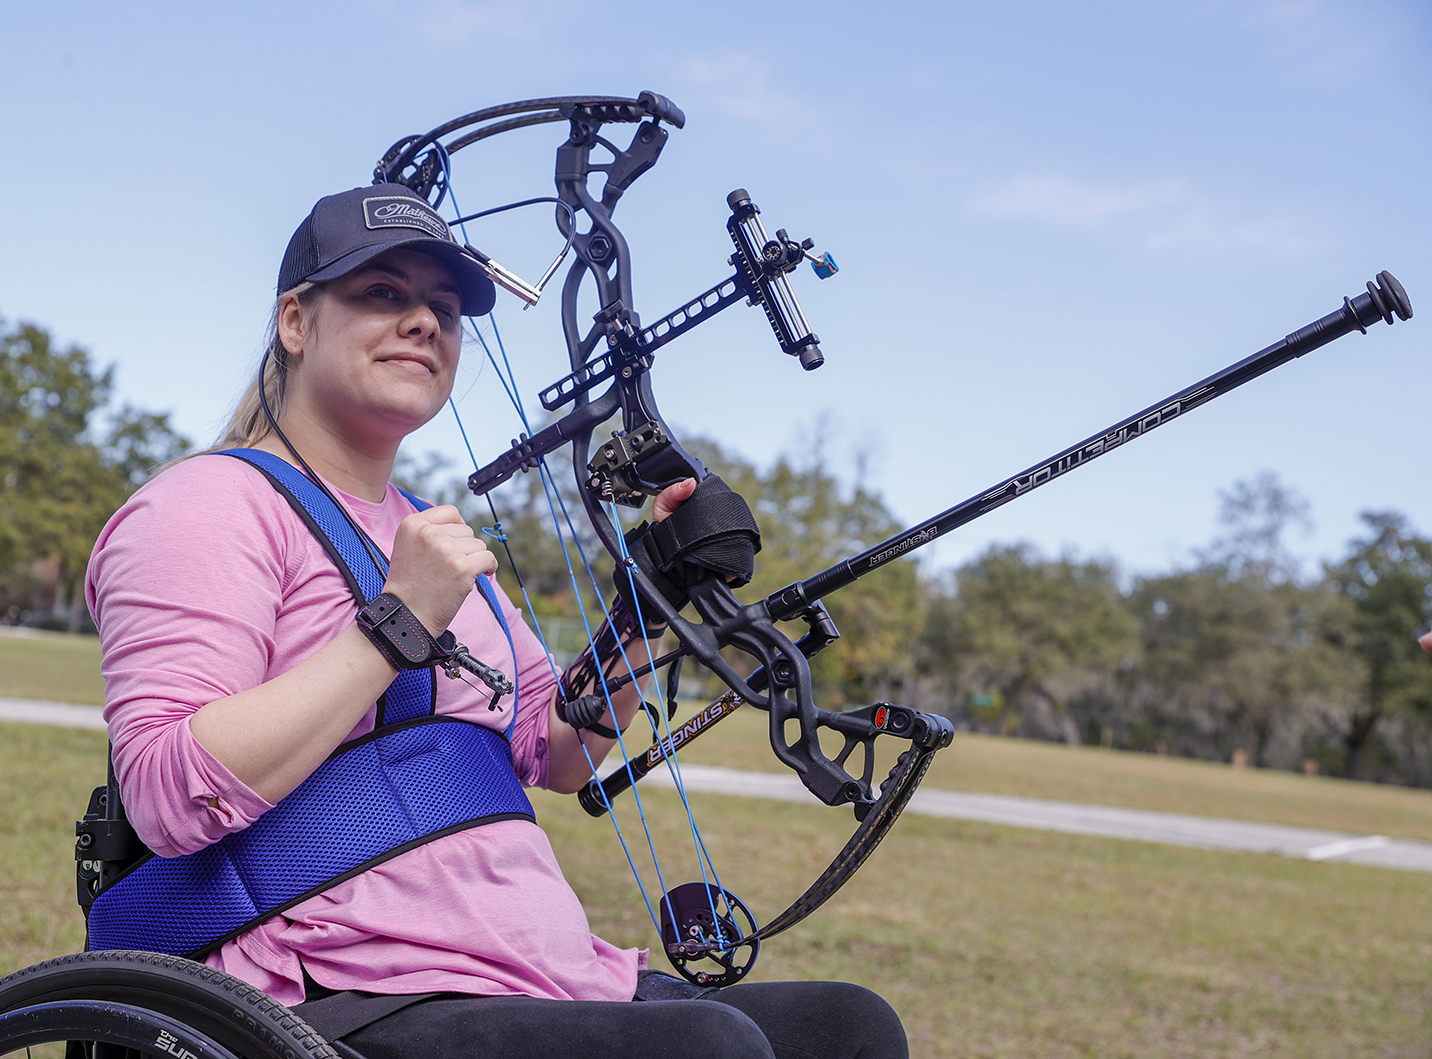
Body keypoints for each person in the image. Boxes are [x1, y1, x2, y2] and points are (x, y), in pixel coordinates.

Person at [85, 183, 907, 1059]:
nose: (423, 322)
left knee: (848, 1028)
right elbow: (169, 794)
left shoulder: (437, 539)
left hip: (530, 973)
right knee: (710, 1048)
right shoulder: (208, 504)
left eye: (443, 306)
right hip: (329, 991)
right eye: (382, 294)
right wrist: (395, 623)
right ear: (295, 320)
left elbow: (557, 749)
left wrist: (646, 606)